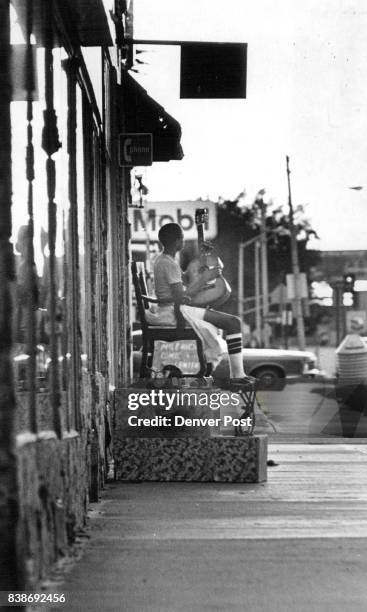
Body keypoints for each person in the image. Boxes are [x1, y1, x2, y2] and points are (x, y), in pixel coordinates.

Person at [147, 222, 249, 383]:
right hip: (177, 312)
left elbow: (185, 282)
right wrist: (205, 278)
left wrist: (205, 260)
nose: (184, 240)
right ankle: (237, 375)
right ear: (177, 241)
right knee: (234, 323)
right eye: (182, 237)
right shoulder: (168, 263)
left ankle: (213, 372)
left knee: (228, 324)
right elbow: (182, 296)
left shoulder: (164, 260)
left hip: (175, 309)